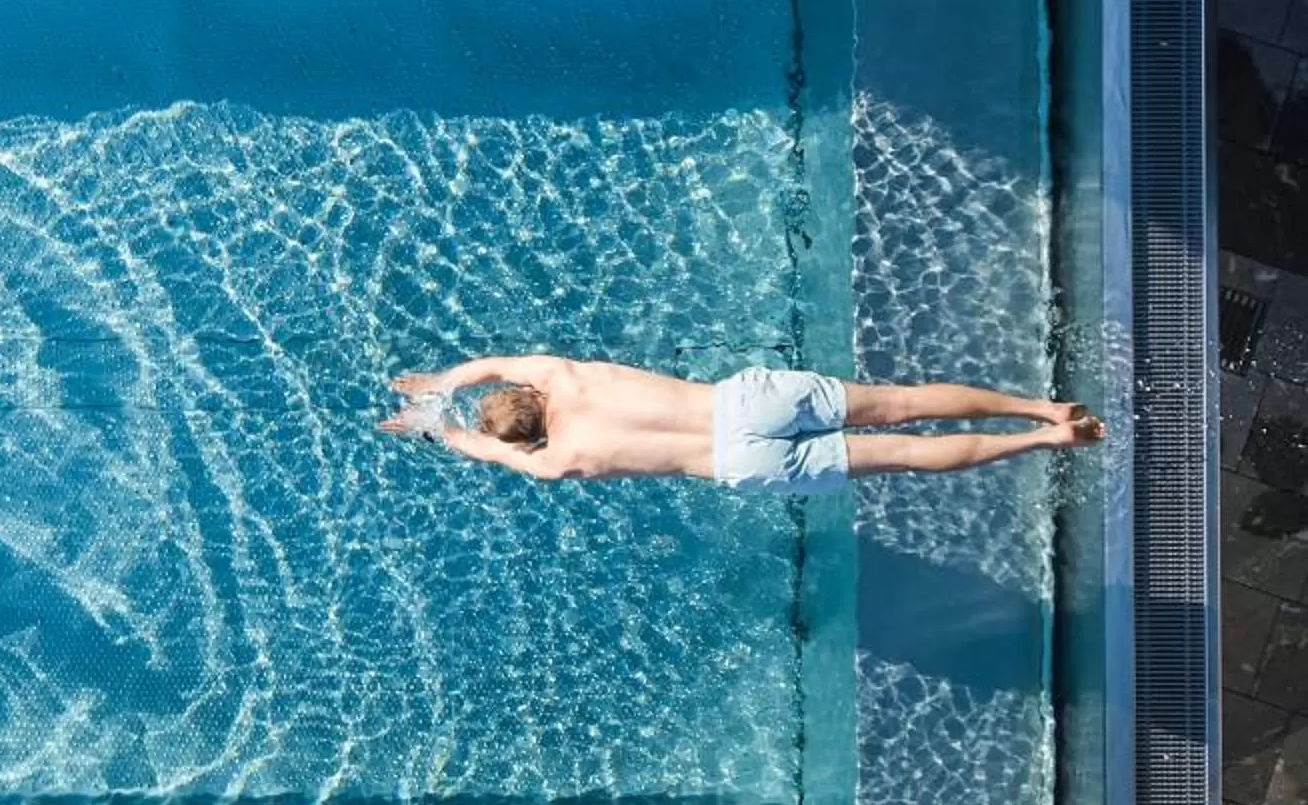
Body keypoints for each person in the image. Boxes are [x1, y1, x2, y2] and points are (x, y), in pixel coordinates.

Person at [379, 355, 1103, 493]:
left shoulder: (557, 459)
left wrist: (431, 426)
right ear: (526, 391)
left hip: (738, 463)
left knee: (907, 456)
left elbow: (478, 448)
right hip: (742, 404)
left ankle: (1042, 442)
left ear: (527, 432)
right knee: (904, 402)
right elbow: (486, 367)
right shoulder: (564, 375)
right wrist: (442, 383)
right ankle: (1041, 408)